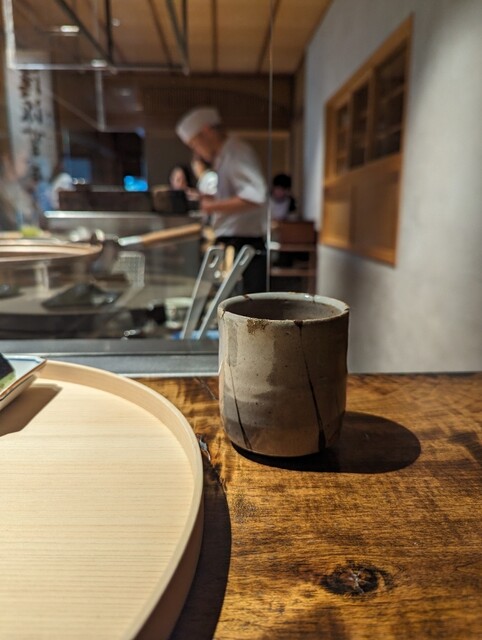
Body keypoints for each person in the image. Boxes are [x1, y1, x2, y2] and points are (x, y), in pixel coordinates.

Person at [176, 106, 268, 293]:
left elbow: (255, 196)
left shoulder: (236, 152)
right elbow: (234, 194)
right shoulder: (225, 155)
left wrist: (210, 206)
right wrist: (206, 197)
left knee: (244, 305)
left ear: (207, 131)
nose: (196, 152)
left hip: (244, 245)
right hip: (235, 244)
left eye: (194, 144)